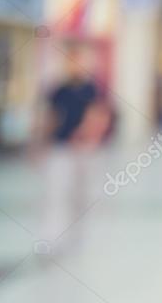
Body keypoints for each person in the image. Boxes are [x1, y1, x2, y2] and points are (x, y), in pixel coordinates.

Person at [38, 45, 109, 251]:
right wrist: (40, 142)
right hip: (61, 147)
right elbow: (50, 117)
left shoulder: (93, 89)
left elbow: (99, 115)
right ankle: (52, 236)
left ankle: (78, 236)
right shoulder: (58, 90)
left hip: (86, 150)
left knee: (82, 195)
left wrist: (87, 136)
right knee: (57, 192)